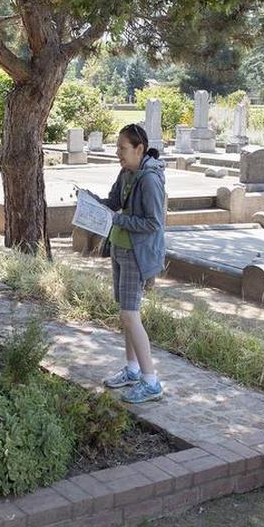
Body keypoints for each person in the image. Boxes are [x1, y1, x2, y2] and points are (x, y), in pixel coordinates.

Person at [86, 123, 167, 403]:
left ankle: (151, 381)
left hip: (136, 253)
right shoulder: (126, 173)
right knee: (126, 314)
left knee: (130, 315)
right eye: (117, 147)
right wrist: (92, 202)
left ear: (139, 149)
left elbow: (153, 223)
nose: (117, 153)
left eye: (122, 148)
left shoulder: (150, 180)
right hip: (120, 248)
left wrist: (117, 219)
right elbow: (113, 201)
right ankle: (132, 370)